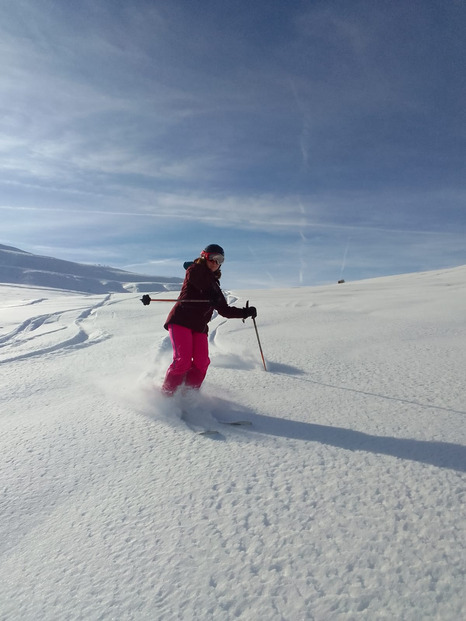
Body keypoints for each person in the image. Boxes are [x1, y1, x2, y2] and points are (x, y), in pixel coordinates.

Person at [160, 244, 257, 396]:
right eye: (213, 258)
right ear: (204, 257)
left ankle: (188, 397)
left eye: (220, 260)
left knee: (202, 363)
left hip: (199, 327)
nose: (215, 263)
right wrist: (208, 293)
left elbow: (224, 310)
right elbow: (197, 279)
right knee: (182, 361)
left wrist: (245, 312)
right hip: (181, 321)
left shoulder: (214, 285)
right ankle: (166, 396)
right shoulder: (194, 270)